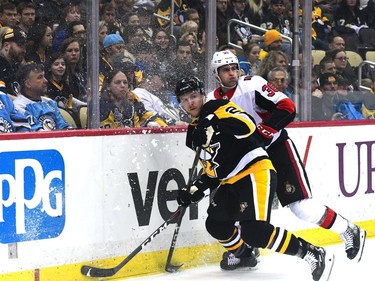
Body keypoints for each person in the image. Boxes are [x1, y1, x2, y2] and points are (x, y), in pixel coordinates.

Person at [206, 50, 366, 269]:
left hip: (275, 148)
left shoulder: (252, 84)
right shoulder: (211, 100)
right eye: (226, 70)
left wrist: (262, 133)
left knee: (301, 207)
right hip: (246, 162)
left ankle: (347, 229)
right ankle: (245, 252)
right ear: (217, 74)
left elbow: (287, 107)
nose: (232, 73)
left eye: (234, 68)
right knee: (235, 209)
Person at [174, 75, 334, 281]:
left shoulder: (220, 107)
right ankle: (244, 255)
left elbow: (248, 126)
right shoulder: (193, 133)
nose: (190, 103)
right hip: (230, 180)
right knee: (216, 224)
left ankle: (310, 252)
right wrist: (196, 189)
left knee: (254, 231)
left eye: (194, 96)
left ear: (203, 95)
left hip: (254, 170)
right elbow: (214, 169)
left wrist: (215, 122)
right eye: (184, 100)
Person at [99, 68, 167, 128]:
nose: (122, 85)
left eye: (125, 82)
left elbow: (150, 117)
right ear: (108, 86)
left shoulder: (134, 103)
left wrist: (161, 126)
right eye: (118, 82)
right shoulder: (97, 107)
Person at [13, 63, 72, 131]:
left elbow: (63, 127)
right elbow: (37, 135)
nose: (46, 81)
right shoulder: (19, 107)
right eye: (40, 77)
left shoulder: (50, 102)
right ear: (28, 84)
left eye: (44, 76)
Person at [0, 27, 27, 98]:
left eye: (25, 47)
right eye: (20, 46)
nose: (24, 51)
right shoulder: (1, 64)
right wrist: (23, 103)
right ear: (6, 46)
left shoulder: (15, 66)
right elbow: (1, 94)